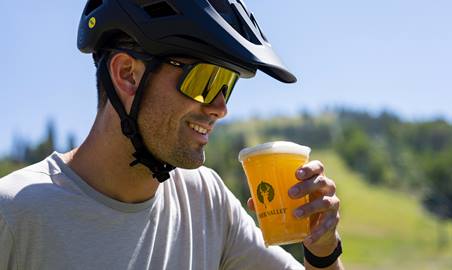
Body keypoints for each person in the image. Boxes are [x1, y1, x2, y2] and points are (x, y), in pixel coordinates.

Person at [0, 0, 343, 269]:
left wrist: (323, 248)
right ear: (127, 75)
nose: (220, 108)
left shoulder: (206, 200)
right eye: (205, 80)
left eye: (227, 85)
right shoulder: (14, 215)